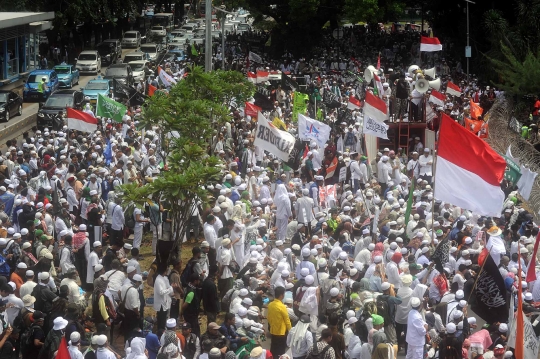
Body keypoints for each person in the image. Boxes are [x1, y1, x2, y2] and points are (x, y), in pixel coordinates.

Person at [267, 286, 292, 357]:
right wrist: (291, 331)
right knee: (280, 351)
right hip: (281, 332)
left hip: (273, 330)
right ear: (281, 295)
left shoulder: (270, 304)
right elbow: (287, 320)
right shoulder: (282, 306)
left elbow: (268, 318)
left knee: (273, 349)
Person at [154, 264, 175, 330]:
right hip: (161, 305)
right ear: (164, 271)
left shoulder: (164, 278)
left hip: (166, 303)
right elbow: (161, 292)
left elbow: (168, 287)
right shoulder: (158, 280)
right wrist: (171, 288)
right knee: (161, 322)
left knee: (165, 319)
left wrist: (171, 289)